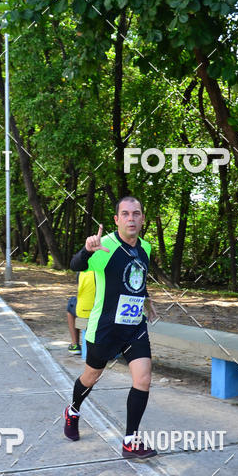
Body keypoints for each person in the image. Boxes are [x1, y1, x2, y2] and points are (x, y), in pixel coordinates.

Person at [63, 196, 157, 459]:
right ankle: (73, 410)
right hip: (105, 328)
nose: (131, 218)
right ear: (117, 220)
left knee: (143, 379)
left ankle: (130, 441)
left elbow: (138, 280)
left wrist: (146, 300)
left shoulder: (146, 248)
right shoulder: (104, 246)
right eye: (125, 214)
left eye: (136, 213)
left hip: (134, 327)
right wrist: (87, 250)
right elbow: (75, 265)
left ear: (142, 218)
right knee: (91, 377)